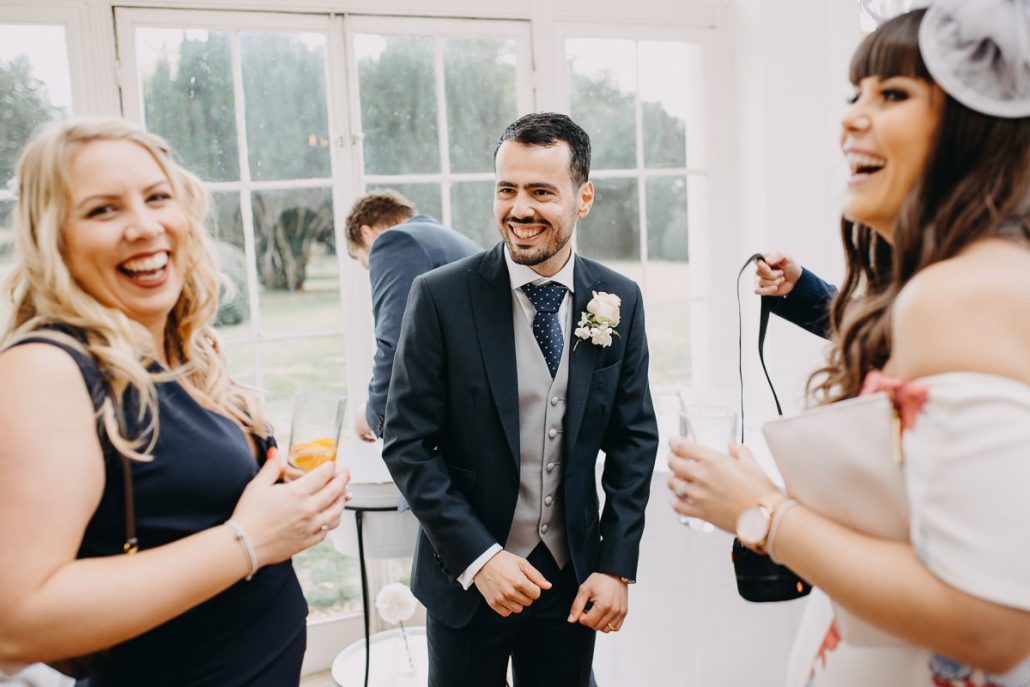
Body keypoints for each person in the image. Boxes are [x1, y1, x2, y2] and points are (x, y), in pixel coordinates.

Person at [669, 2, 1030, 684]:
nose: (850, 118)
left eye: (892, 94)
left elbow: (995, 621)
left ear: (974, 129)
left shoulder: (957, 295)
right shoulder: (956, 282)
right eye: (854, 94)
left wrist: (760, 510)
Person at [0, 118, 348, 686]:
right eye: (102, 210)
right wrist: (251, 539)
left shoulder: (181, 354)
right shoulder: (46, 367)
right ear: (53, 236)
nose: (143, 226)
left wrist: (290, 513)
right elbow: (15, 624)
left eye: (157, 197)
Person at [382, 112, 658, 686]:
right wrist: (480, 559)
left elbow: (634, 440)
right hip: (466, 579)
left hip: (572, 579)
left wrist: (616, 566)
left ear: (583, 198)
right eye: (507, 189)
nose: (520, 209)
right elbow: (407, 442)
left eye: (540, 191)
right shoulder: (439, 297)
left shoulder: (619, 299)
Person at [344, 189, 480, 441]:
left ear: (366, 232)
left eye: (366, 262)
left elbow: (397, 342)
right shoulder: (445, 238)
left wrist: (374, 414)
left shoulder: (394, 241)